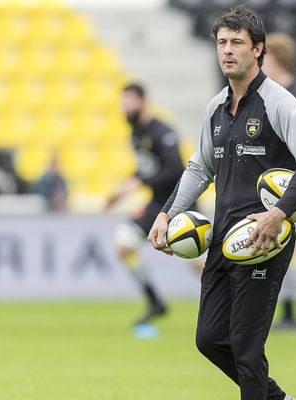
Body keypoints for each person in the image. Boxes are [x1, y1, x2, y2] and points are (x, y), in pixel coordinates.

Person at [148, 6, 296, 400]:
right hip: (223, 238)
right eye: (222, 43)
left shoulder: (280, 103)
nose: (227, 51)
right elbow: (199, 167)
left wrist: (278, 215)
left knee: (246, 348)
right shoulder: (215, 107)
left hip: (264, 240)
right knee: (210, 339)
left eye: (237, 44)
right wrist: (166, 214)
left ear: (258, 49)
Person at [106, 82, 185, 334]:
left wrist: (137, 184)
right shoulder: (136, 134)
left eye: (127, 101)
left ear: (141, 102)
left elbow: (176, 170)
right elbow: (147, 169)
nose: (124, 107)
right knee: (123, 245)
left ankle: (230, 306)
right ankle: (155, 301)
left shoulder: (162, 131)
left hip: (179, 202)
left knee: (200, 264)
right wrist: (126, 187)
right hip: (155, 204)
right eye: (122, 102)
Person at [262, 32, 296, 330]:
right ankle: (291, 311)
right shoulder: (271, 93)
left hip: (293, 181)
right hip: (274, 181)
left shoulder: (295, 95)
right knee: (280, 246)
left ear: (277, 59)